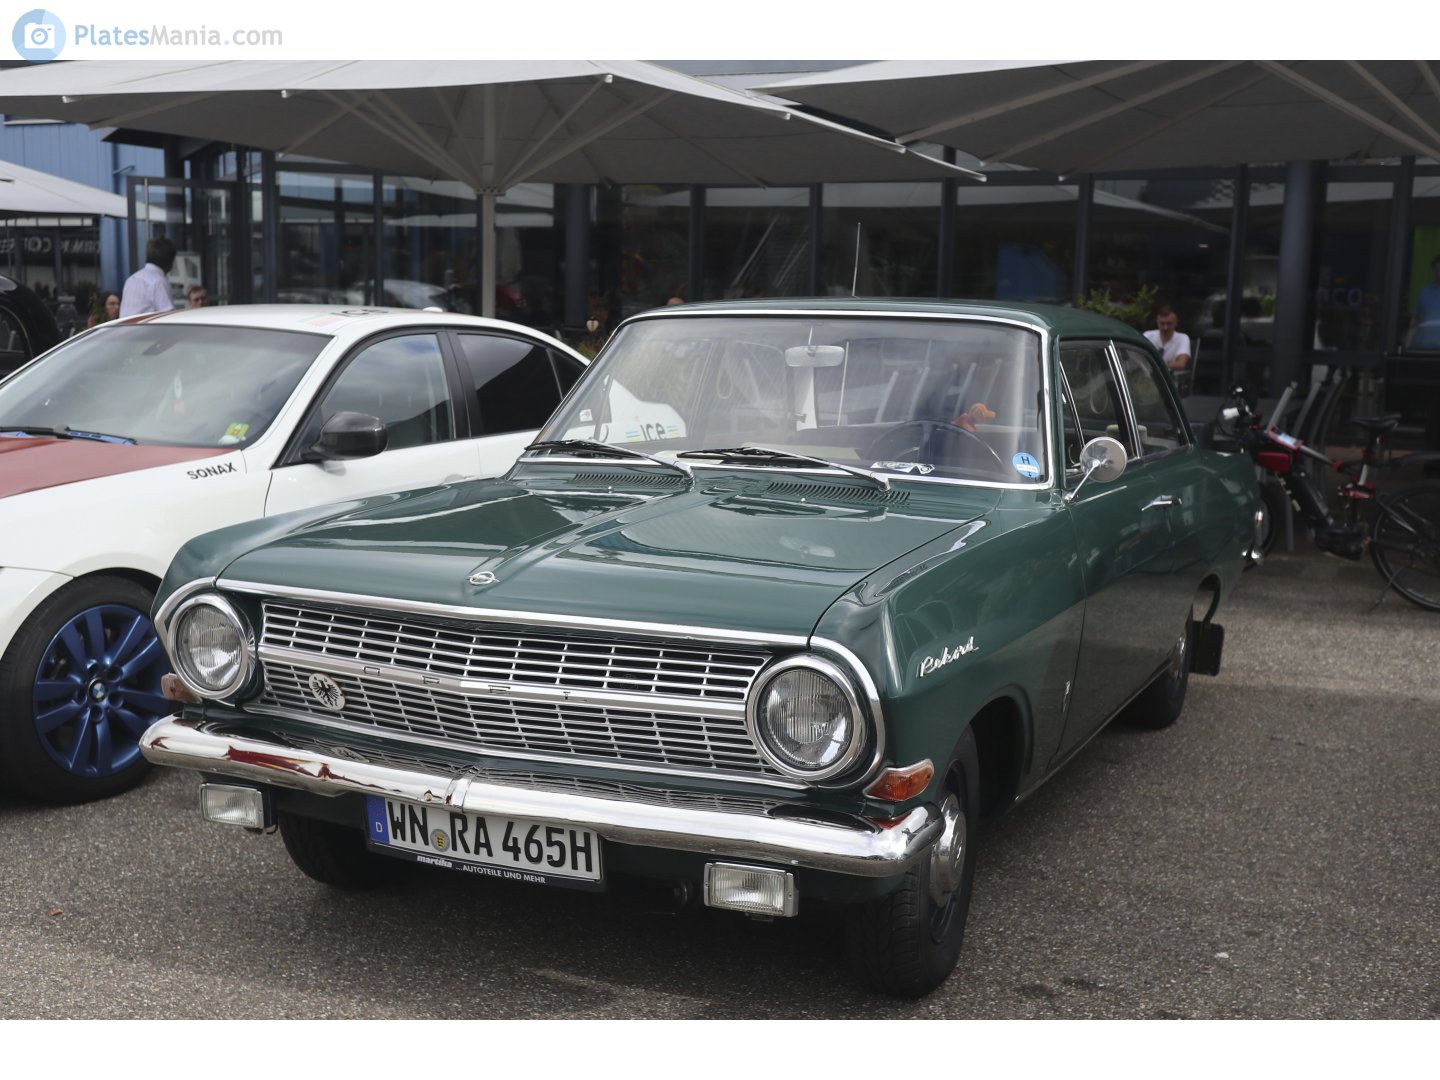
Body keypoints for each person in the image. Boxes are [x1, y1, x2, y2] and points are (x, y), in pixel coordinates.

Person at [119, 236, 177, 317]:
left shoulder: (131, 279)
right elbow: (169, 318)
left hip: (126, 329)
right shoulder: (158, 282)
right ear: (170, 262)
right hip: (147, 329)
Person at [1144, 305, 1192, 372]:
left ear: (1176, 322)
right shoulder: (1148, 335)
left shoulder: (1183, 338)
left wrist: (1154, 364)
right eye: (1162, 323)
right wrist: (1169, 363)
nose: (1165, 327)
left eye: (1169, 324)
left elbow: (1181, 364)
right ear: (1157, 322)